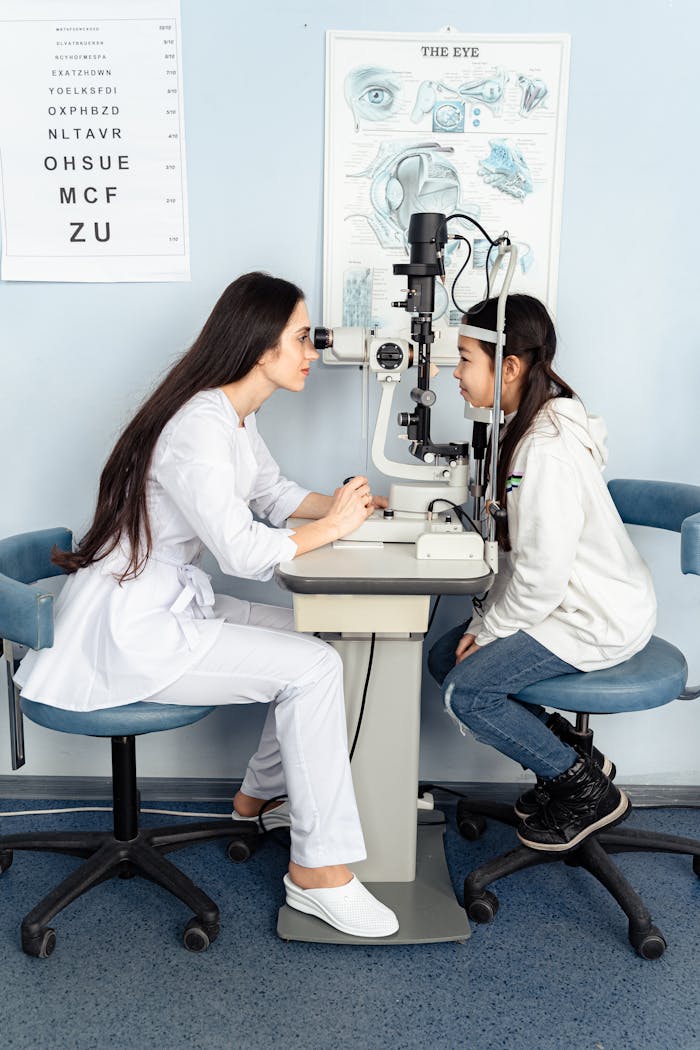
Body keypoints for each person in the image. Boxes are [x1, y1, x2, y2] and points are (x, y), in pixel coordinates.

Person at [15, 271, 399, 939]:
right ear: (259, 345)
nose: (314, 353)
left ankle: (255, 798)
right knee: (311, 669)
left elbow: (274, 495)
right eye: (303, 339)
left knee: (322, 645)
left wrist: (359, 509)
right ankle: (319, 873)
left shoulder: (229, 414)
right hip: (133, 626)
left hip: (167, 600)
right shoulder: (198, 427)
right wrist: (331, 531)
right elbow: (245, 551)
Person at [427, 293, 656, 852]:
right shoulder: (530, 424)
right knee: (442, 655)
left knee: (466, 693)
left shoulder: (544, 450)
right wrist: (485, 622)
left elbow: (543, 576)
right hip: (564, 601)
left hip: (592, 614)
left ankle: (583, 792)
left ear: (508, 367)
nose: (454, 373)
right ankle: (576, 758)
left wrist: (489, 630)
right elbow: (526, 560)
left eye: (463, 359)